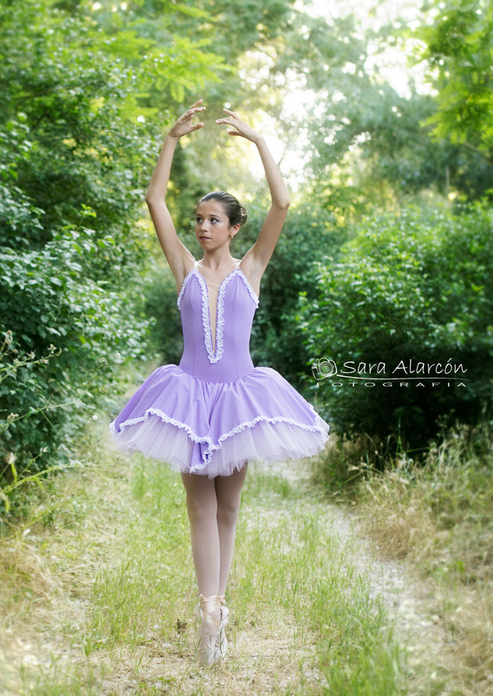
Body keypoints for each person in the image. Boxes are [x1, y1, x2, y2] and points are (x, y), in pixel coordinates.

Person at [110, 100, 329, 667]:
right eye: (199, 220)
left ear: (234, 228)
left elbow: (282, 203)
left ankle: (219, 611)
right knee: (198, 505)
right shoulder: (183, 267)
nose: (203, 227)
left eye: (214, 220)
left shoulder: (251, 268)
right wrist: (169, 139)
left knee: (228, 509)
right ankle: (209, 611)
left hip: (239, 402)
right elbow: (154, 200)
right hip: (187, 398)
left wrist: (257, 140)